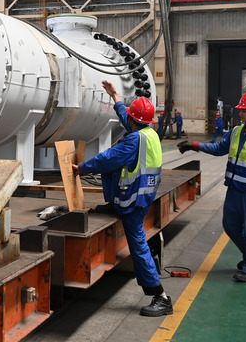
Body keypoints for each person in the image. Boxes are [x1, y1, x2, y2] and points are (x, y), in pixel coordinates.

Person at [72, 81, 172, 317]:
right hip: (144, 194)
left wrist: (82, 168)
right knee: (137, 240)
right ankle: (114, 205)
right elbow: (127, 118)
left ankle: (160, 296)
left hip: (133, 200)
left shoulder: (133, 141)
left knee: (137, 243)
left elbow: (108, 159)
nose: (128, 120)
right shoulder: (150, 133)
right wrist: (115, 96)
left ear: (135, 120)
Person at [177, 93, 246, 283]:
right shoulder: (236, 132)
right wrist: (194, 145)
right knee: (230, 226)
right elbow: (219, 149)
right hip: (234, 189)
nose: (241, 113)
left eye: (245, 110)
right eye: (241, 110)